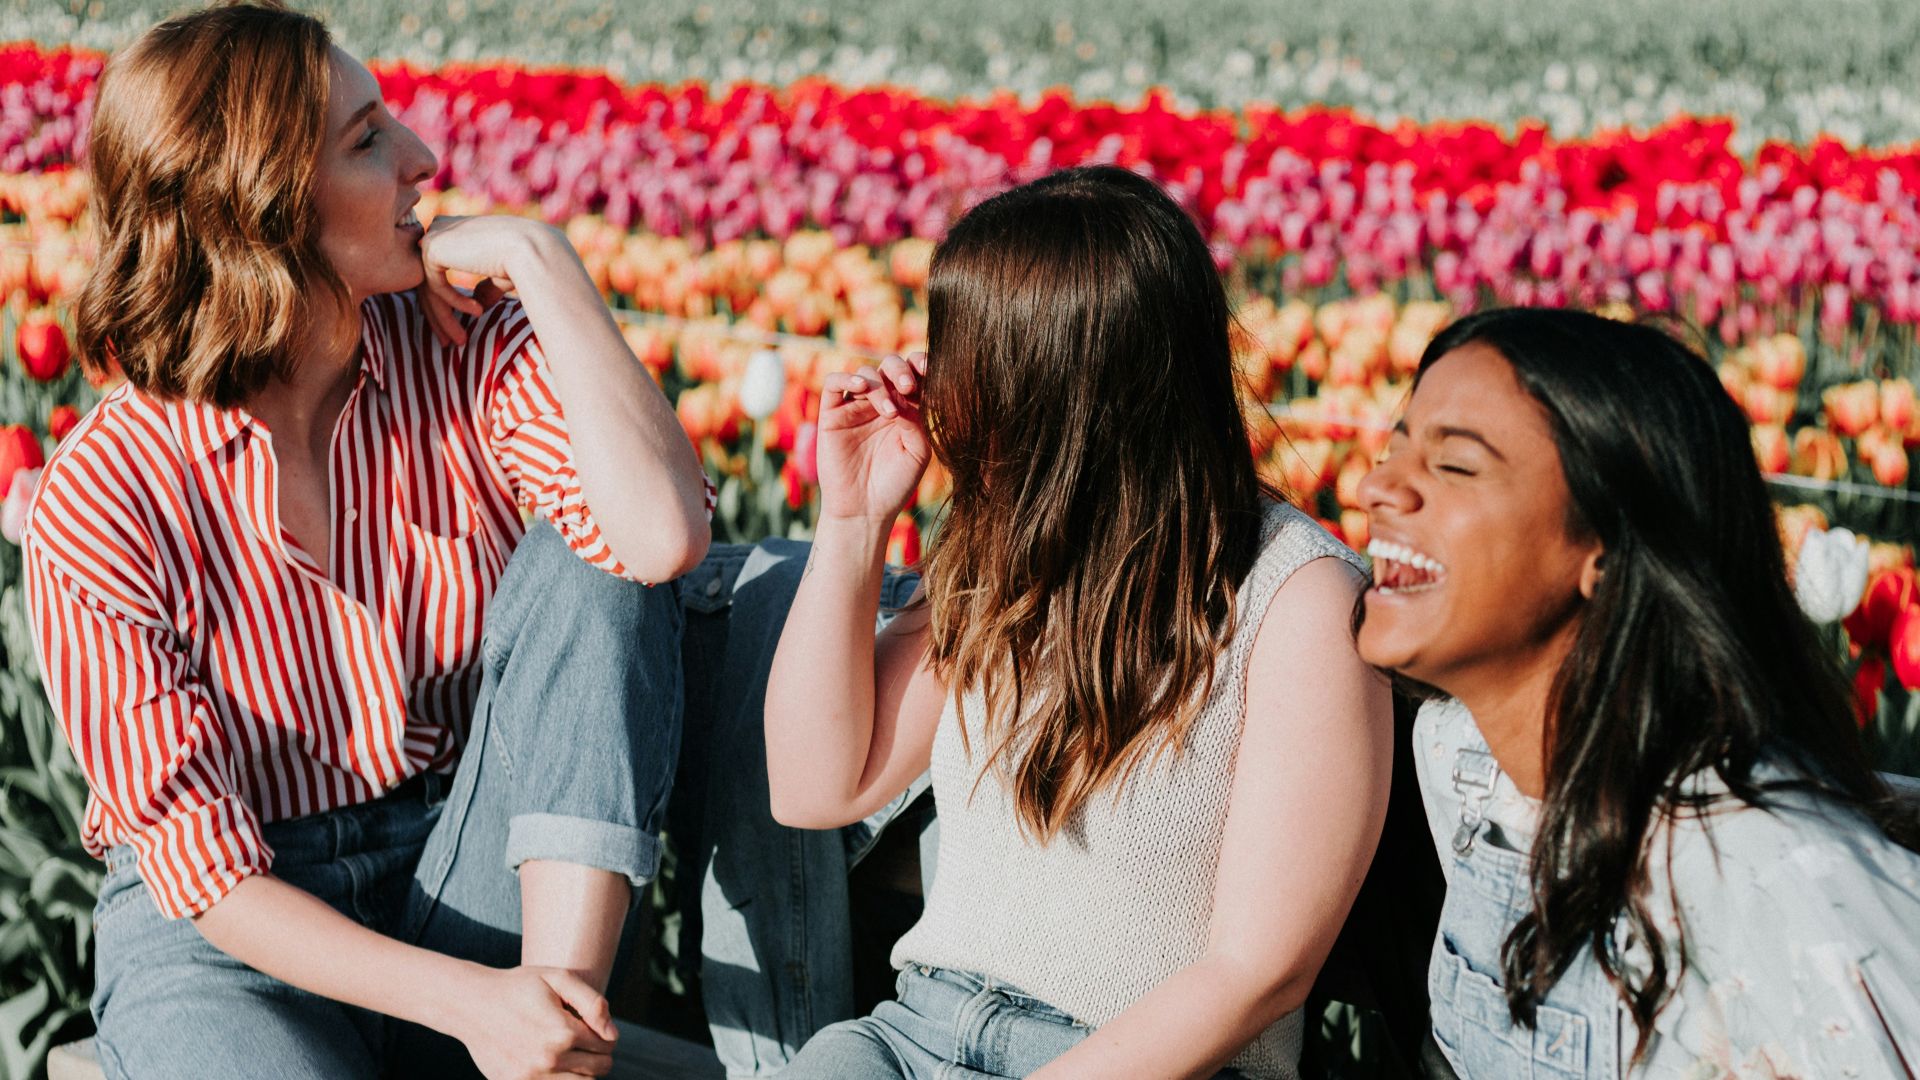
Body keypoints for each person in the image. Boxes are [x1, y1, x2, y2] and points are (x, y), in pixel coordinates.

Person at [23, 3, 712, 1076]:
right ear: (256, 207)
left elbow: (658, 542)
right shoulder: (106, 497)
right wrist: (466, 1004)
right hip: (235, 938)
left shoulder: (465, 346)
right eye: (367, 140)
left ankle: (553, 1045)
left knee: (595, 557)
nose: (424, 158)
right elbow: (206, 878)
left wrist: (545, 262)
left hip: (463, 862)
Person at [762, 164, 1395, 1079]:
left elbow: (1259, 972)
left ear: (1058, 388)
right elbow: (815, 787)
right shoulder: (1009, 560)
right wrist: (855, 519)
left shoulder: (1300, 601)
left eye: (967, 355)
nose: (939, 390)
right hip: (914, 1037)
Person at [1354, 308, 1920, 1077]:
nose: (1377, 487)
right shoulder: (1462, 760)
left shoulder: (1769, 870)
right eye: (1394, 451)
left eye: (1454, 465)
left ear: (1607, 551)